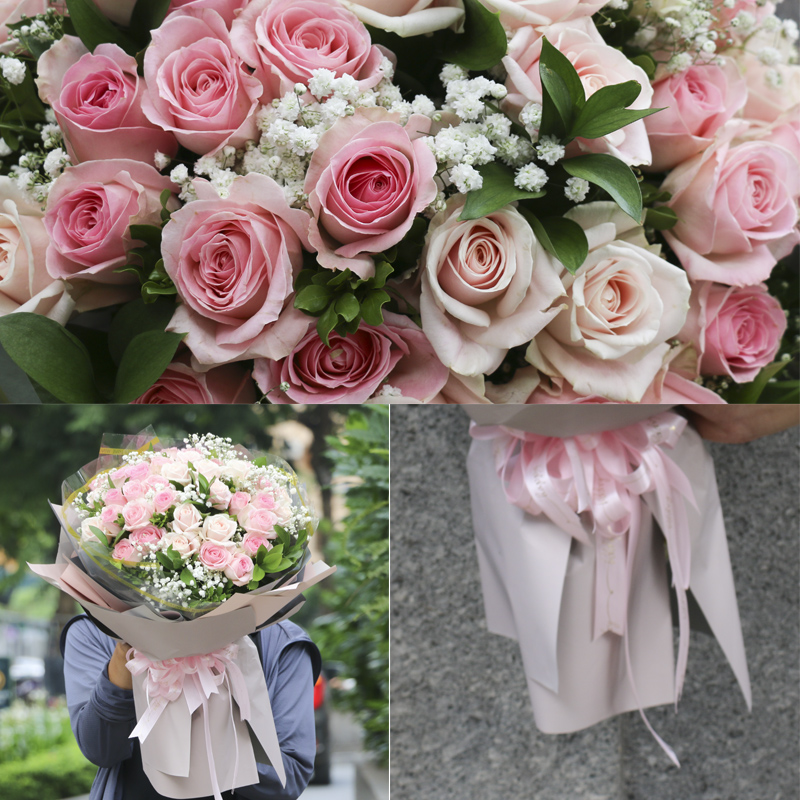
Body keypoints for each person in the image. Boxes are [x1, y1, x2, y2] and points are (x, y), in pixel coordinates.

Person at [61, 615, 321, 800]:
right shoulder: (95, 633)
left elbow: (290, 774)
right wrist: (125, 658)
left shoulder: (283, 644)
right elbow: (100, 749)